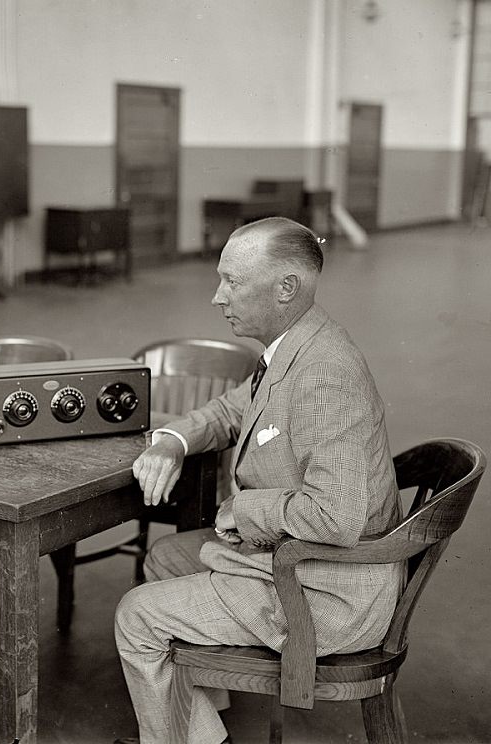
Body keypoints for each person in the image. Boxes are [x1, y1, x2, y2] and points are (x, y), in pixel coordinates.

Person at [114, 217, 404, 744]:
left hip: (328, 593)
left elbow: (336, 516)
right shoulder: (293, 347)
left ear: (286, 288)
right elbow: (232, 409)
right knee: (166, 558)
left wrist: (238, 511)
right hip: (299, 563)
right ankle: (203, 728)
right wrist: (174, 441)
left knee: (137, 615)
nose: (216, 296)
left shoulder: (323, 373)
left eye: (233, 281)